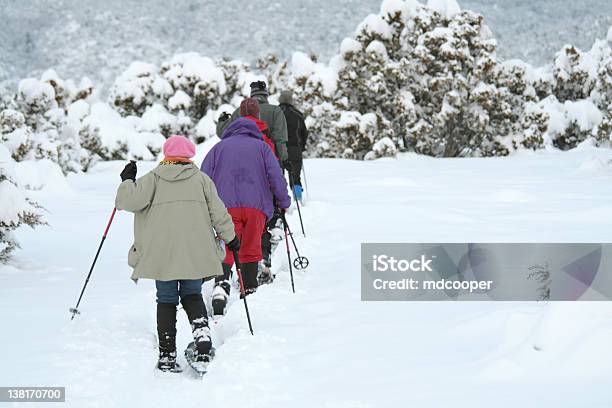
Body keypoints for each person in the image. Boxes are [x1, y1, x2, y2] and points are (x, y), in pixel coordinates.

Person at [115, 135, 238, 373]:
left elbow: (127, 201)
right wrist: (231, 238)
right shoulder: (202, 180)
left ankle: (167, 355)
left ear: (167, 156)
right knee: (192, 294)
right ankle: (202, 335)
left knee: (167, 300)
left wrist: (127, 180)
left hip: (162, 254)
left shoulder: (152, 179)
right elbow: (219, 212)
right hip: (194, 251)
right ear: (189, 156)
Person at [202, 117, 291, 315]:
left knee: (226, 246)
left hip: (224, 207)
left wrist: (203, 205)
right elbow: (276, 176)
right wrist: (283, 202)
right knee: (250, 249)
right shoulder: (262, 148)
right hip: (256, 207)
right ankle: (249, 293)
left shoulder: (219, 148)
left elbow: (203, 176)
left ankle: (221, 287)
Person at [216, 80, 289, 165]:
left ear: (252, 95)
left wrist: (222, 121)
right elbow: (280, 138)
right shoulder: (275, 111)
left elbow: (223, 134)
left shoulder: (240, 111)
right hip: (270, 162)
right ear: (265, 94)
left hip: (245, 162)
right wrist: (283, 159)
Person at [278, 90, 309, 202]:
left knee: (278, 176)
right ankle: (298, 198)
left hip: (278, 149)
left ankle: (279, 200)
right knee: (295, 176)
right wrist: (302, 147)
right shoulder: (297, 114)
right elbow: (304, 133)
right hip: (295, 148)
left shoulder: (275, 113)